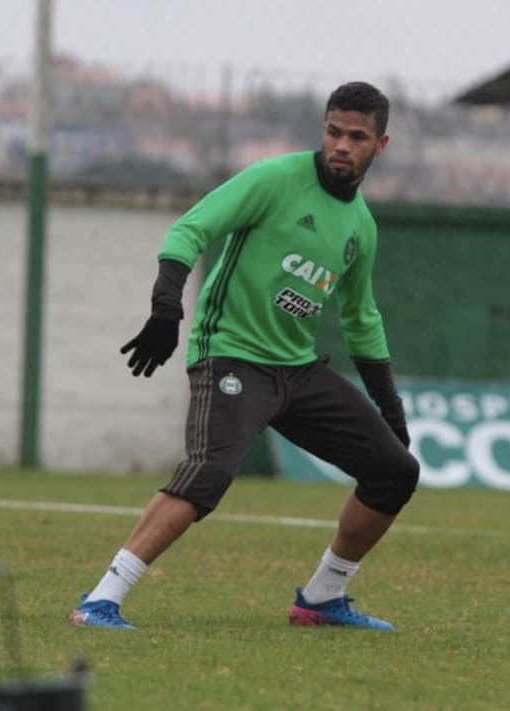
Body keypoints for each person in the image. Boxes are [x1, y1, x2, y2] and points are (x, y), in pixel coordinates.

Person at [69, 81, 419, 631]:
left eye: (357, 137)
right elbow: (191, 230)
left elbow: (361, 320)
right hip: (232, 356)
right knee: (208, 474)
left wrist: (390, 412)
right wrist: (167, 309)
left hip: (297, 371)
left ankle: (322, 599)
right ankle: (99, 600)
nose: (342, 146)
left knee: (395, 472)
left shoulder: (360, 228)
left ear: (382, 144)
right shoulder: (275, 180)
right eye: (333, 132)